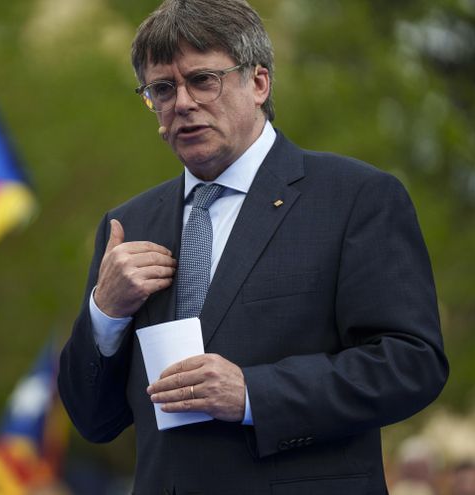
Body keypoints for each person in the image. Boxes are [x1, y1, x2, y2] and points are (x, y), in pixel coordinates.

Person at [57, 0, 449, 493]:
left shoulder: (355, 198)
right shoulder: (128, 225)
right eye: (162, 89)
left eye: (202, 80)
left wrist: (254, 394)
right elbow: (92, 420)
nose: (182, 103)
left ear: (259, 82)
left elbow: (411, 364)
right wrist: (106, 313)